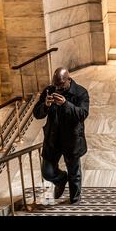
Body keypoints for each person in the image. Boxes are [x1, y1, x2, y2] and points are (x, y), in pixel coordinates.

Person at [33, 67, 89, 205]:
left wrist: (65, 104)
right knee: (47, 171)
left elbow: (82, 114)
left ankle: (75, 199)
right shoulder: (49, 90)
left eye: (61, 85)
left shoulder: (80, 93)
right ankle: (61, 179)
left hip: (71, 138)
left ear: (68, 80)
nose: (57, 88)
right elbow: (37, 113)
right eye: (55, 85)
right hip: (53, 138)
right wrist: (45, 106)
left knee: (74, 172)